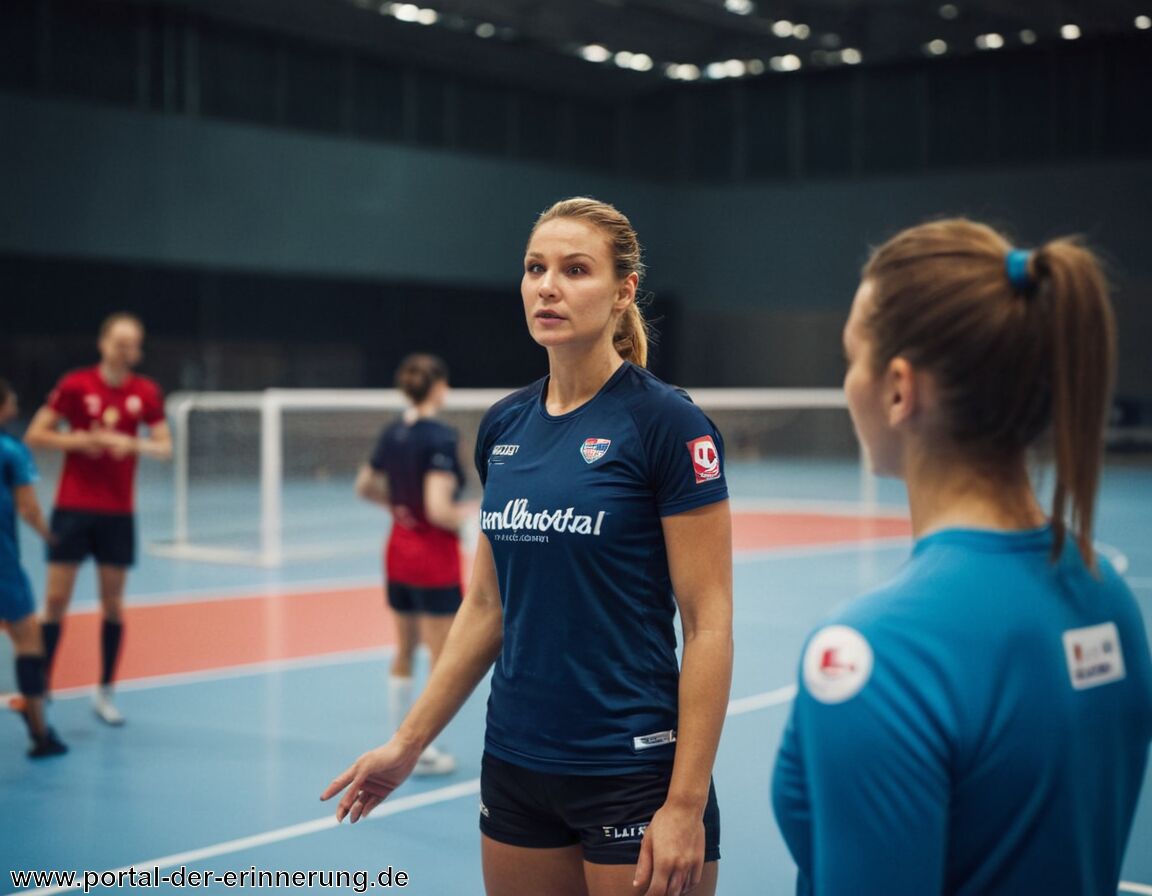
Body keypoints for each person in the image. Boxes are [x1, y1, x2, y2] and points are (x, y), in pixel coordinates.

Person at [324, 197, 734, 896]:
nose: (548, 286)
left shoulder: (667, 424)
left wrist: (685, 803)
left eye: (575, 270)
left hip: (632, 768)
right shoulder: (504, 426)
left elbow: (708, 623)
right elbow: (487, 606)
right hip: (515, 767)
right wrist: (409, 741)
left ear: (623, 291)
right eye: (535, 268)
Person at [772, 218, 1152, 895]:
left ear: (899, 388)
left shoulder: (876, 656)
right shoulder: (1107, 598)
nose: (848, 383)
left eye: (850, 358)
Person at [25, 312, 171, 725]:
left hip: (117, 513)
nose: (126, 351)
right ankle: (42, 687)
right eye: (119, 343)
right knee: (56, 601)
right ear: (103, 343)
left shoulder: (145, 392)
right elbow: (35, 434)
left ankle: (105, 690)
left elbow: (164, 446)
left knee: (113, 604)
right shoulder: (76, 385)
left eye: (133, 344)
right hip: (72, 508)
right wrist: (79, 441)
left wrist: (132, 445)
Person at [355, 352, 469, 776]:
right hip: (433, 558)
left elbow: (365, 486)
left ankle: (397, 741)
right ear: (438, 388)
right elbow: (439, 509)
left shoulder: (393, 433)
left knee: (403, 649)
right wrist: (471, 520)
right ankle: (422, 750)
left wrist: (402, 507)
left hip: (398, 550)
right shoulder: (440, 437)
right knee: (442, 657)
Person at [0, 379, 68, 758]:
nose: (15, 407)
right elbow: (28, 508)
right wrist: (49, 535)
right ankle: (41, 734)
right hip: (3, 566)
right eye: (11, 401)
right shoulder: (11, 450)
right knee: (29, 642)